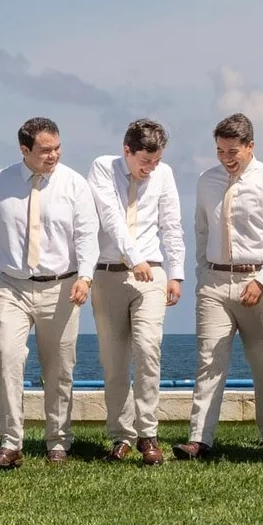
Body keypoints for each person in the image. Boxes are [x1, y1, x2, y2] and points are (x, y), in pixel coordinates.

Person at [0, 117, 99, 468]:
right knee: (6, 357)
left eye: (57, 148)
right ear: (24, 149)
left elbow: (87, 235)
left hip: (63, 286)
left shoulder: (75, 184)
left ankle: (58, 441)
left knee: (59, 367)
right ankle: (11, 443)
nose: (53, 155)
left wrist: (85, 277)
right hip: (10, 286)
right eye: (45, 150)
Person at [178, 113, 263, 459]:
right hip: (215, 282)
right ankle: (200, 439)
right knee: (209, 360)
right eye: (220, 151)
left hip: (258, 281)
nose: (226, 158)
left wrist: (261, 281)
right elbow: (201, 230)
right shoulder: (206, 181)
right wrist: (203, 275)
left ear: (250, 146)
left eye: (233, 151)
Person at [87, 118, 185, 465]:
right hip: (110, 273)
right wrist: (133, 256)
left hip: (151, 275)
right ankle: (120, 434)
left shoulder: (165, 174)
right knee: (114, 361)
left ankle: (148, 432)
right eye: (145, 161)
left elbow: (171, 224)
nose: (150, 168)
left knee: (148, 350)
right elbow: (110, 216)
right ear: (126, 151)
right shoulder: (102, 168)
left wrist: (176, 274)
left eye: (156, 161)